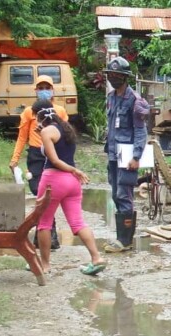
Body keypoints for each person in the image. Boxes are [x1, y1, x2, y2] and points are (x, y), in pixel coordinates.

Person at [33, 100, 107, 275]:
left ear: (40, 117)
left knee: (43, 223)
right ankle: (96, 258)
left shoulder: (46, 131)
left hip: (53, 179)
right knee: (78, 222)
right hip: (72, 183)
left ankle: (45, 266)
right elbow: (62, 151)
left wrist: (76, 169)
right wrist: (74, 172)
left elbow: (55, 160)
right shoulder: (67, 129)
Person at [9, 75, 66, 250]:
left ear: (53, 90)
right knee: (38, 191)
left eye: (46, 87)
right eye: (40, 88)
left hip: (53, 155)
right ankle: (45, 232)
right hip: (35, 155)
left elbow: (66, 135)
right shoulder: (29, 112)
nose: (43, 91)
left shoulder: (60, 111)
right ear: (35, 91)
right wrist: (14, 159)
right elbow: (22, 137)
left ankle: (49, 234)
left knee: (49, 193)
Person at [102, 56, 149, 253]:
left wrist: (136, 157)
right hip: (114, 154)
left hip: (127, 155)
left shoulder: (134, 100)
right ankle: (122, 238)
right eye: (110, 74)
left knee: (124, 194)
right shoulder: (111, 98)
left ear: (125, 77)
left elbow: (140, 131)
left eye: (117, 75)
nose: (113, 77)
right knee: (115, 194)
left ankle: (125, 241)